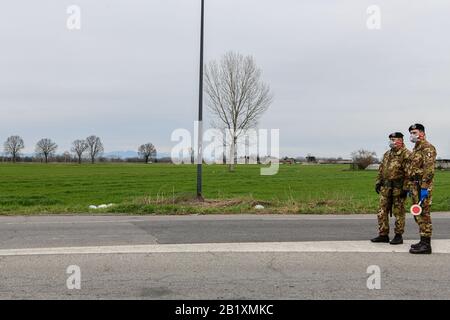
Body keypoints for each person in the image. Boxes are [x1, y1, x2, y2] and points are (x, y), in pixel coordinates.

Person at [371, 132, 410, 245]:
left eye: (394, 139)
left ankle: (398, 235)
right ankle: (383, 234)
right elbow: (381, 169)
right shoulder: (387, 154)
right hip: (386, 188)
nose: (392, 141)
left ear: (401, 141)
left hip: (399, 188)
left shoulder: (406, 154)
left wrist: (406, 188)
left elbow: (409, 173)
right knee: (381, 211)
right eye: (391, 139)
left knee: (399, 212)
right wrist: (378, 182)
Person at [406, 123, 437, 254]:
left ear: (422, 133)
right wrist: (409, 186)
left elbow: (429, 170)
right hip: (415, 185)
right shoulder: (416, 149)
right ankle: (422, 240)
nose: (412, 135)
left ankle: (426, 245)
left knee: (424, 214)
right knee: (417, 213)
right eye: (411, 133)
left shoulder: (428, 148)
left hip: (423, 186)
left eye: (414, 132)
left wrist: (424, 187)